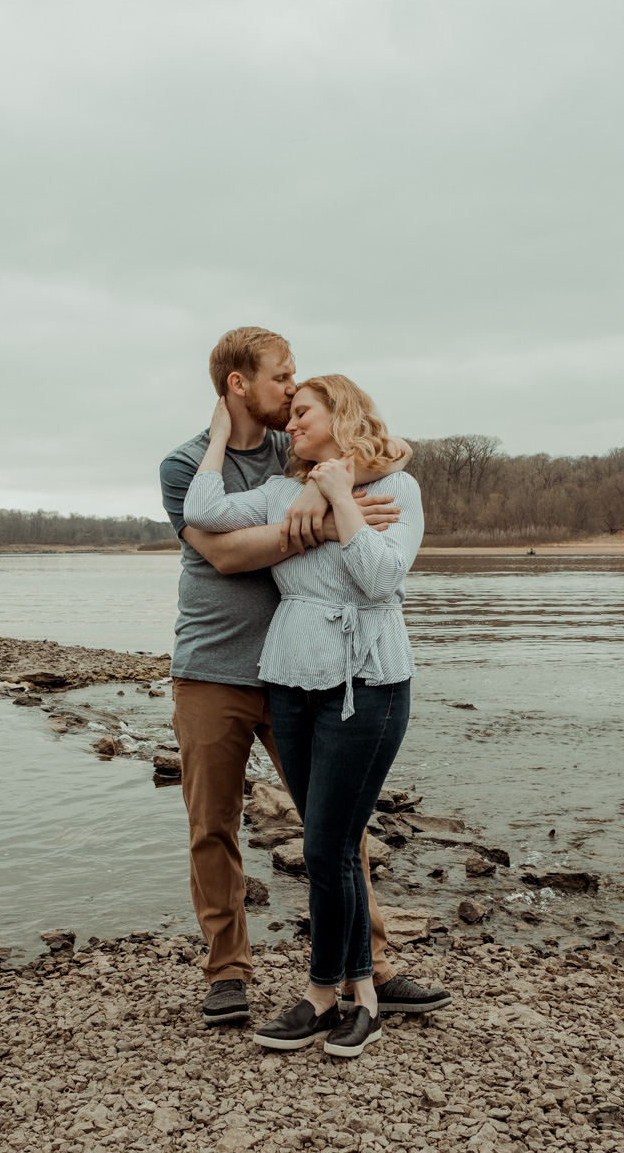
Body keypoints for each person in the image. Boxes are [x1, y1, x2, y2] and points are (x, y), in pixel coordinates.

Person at [158, 327, 451, 1030]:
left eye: (298, 386)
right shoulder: (185, 463)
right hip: (215, 667)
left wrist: (334, 491)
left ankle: (369, 968)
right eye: (282, 378)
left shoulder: (298, 447)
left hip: (308, 673)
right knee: (213, 826)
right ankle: (229, 973)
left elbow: (378, 451)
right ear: (238, 385)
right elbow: (227, 554)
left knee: (335, 828)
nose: (293, 392)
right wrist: (321, 521)